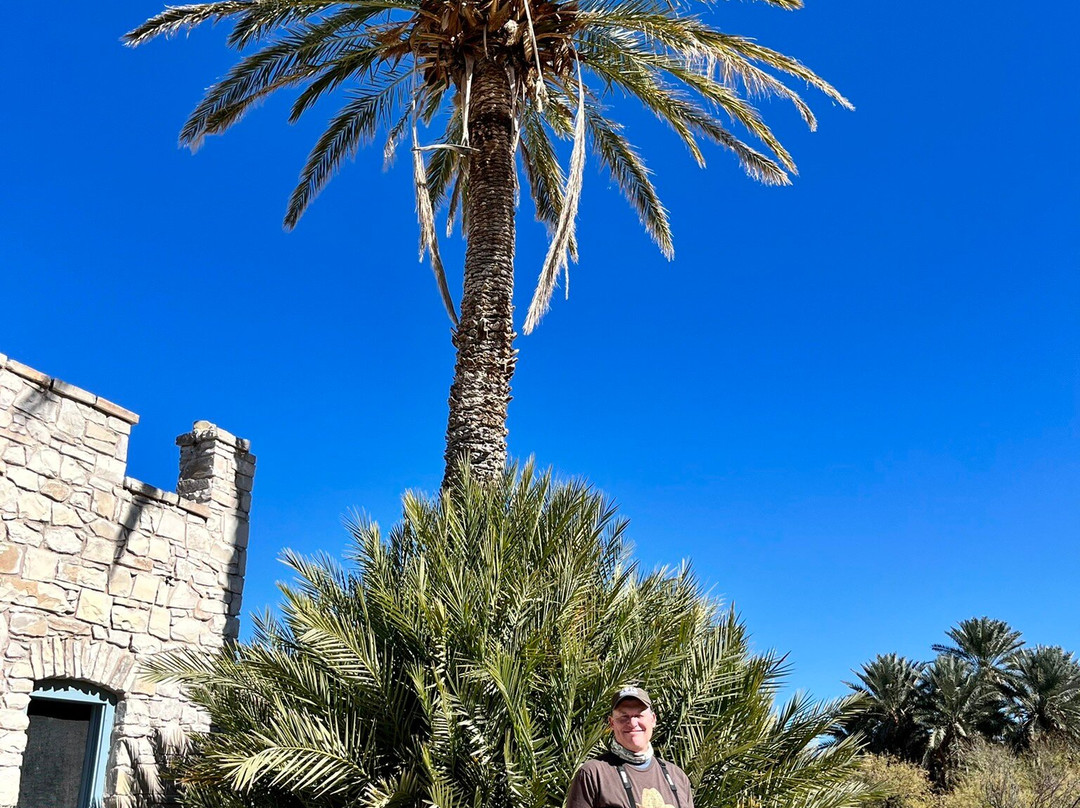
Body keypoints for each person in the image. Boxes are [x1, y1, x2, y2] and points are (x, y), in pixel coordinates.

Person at [565, 687, 694, 808]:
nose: (632, 723)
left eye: (639, 715)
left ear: (653, 720)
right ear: (612, 723)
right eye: (624, 716)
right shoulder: (593, 774)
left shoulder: (677, 777)